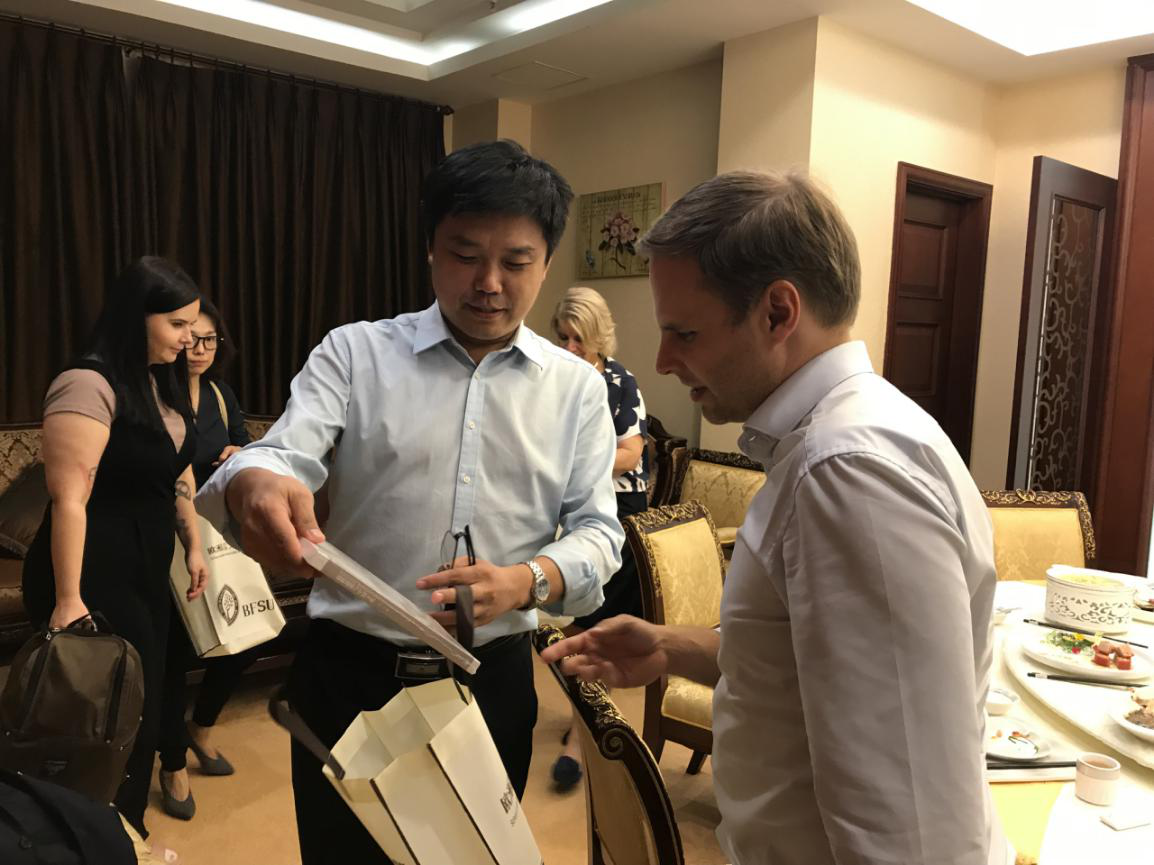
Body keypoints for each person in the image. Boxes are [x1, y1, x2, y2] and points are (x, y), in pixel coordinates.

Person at [542, 171, 1011, 865]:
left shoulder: (848, 472)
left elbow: (908, 824)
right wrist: (674, 646)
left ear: (777, 313)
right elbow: (810, 661)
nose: (665, 361)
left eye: (684, 332)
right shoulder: (843, 442)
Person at [195, 139, 624, 865]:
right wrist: (253, 481)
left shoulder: (577, 388)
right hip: (348, 677)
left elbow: (599, 533)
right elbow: (280, 454)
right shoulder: (355, 354)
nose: (489, 283)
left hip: (490, 683)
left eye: (516, 261)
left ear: (547, 262)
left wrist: (527, 579)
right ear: (430, 247)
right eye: (465, 254)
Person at [22, 256, 209, 864]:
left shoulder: (159, 382)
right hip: (93, 568)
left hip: (146, 563)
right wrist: (68, 599)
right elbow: (69, 498)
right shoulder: (88, 382)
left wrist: (194, 543)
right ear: (136, 317)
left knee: (143, 708)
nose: (189, 338)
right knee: (105, 721)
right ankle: (99, 844)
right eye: (177, 324)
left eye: (193, 325)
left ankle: (121, 838)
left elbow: (174, 475)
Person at [156, 297, 253, 820]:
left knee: (248, 636)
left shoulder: (220, 393)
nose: (199, 348)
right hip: (166, 535)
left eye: (210, 339)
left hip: (216, 532)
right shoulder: (156, 390)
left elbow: (246, 445)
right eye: (191, 338)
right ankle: (172, 763)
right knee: (174, 652)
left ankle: (202, 727)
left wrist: (241, 453)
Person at [550, 286, 648, 791]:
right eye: (562, 337)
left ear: (598, 337)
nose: (569, 348)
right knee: (573, 623)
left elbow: (630, 454)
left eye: (579, 339)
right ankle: (584, 715)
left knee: (594, 624)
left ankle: (580, 733)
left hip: (619, 509)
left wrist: (579, 464)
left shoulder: (619, 382)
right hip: (568, 503)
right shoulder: (552, 377)